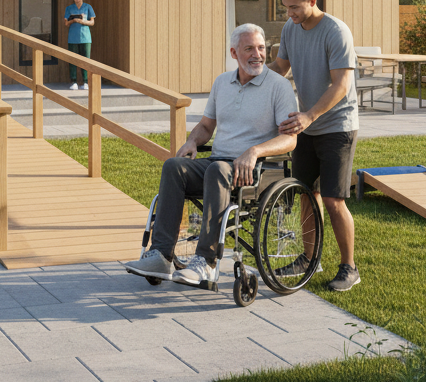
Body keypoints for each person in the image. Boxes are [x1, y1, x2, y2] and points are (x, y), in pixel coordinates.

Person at [124, 24, 298, 287]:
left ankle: (205, 262)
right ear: (233, 52)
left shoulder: (279, 87)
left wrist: (254, 151)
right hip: (219, 163)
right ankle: (161, 255)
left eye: (262, 48)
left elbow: (290, 139)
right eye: (249, 48)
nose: (257, 54)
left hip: (256, 169)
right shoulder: (221, 83)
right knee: (174, 166)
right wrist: (192, 141)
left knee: (217, 170)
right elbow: (206, 126)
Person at [268, 0, 361, 292]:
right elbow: (281, 66)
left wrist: (309, 115)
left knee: (334, 200)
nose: (289, 14)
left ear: (312, 0)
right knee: (306, 193)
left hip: (337, 126)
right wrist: (248, 75)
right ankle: (309, 259)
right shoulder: (290, 28)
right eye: (285, 8)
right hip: (305, 125)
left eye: (294, 7)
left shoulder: (336, 31)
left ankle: (349, 267)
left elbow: (341, 85)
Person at [64, 0, 95, 90]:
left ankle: (86, 82)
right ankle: (74, 82)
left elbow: (92, 22)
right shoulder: (69, 8)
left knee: (85, 60)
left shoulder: (88, 7)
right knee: (73, 60)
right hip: (73, 37)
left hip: (85, 37)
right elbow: (66, 23)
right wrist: (73, 20)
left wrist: (82, 22)